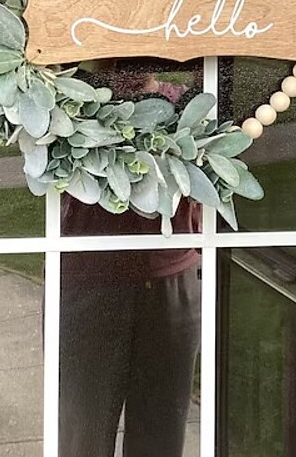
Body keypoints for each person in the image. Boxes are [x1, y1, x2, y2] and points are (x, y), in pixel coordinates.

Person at [58, 69, 202, 457]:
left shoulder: (190, 107)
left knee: (161, 436)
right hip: (86, 280)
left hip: (172, 280)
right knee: (80, 436)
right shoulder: (69, 101)